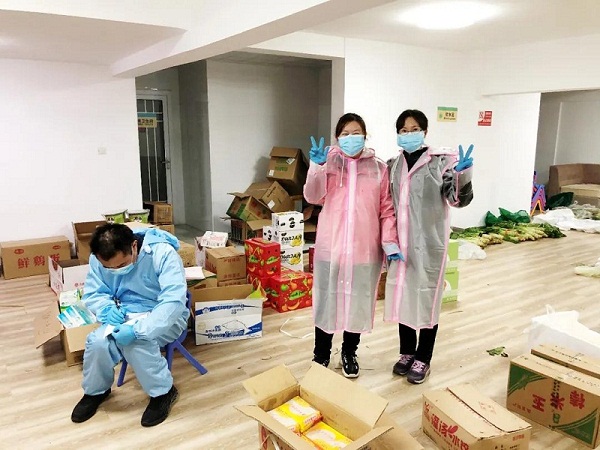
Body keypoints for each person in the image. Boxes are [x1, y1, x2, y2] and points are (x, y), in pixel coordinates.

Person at [304, 112, 403, 378]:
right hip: (331, 246)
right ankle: (321, 354)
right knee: (327, 299)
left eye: (356, 133)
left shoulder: (379, 168)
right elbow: (313, 196)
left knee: (357, 302)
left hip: (363, 249)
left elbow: (386, 209)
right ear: (338, 137)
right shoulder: (328, 162)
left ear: (365, 135)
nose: (351, 138)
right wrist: (316, 167)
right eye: (345, 134)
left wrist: (389, 242)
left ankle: (349, 352)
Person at [385, 109, 474, 384]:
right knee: (404, 297)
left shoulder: (441, 162)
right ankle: (407, 353)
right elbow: (388, 206)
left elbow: (457, 200)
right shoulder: (393, 165)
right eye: (403, 130)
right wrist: (389, 241)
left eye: (414, 129)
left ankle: (423, 357)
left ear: (425, 131)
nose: (408, 134)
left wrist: (463, 174)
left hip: (429, 244)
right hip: (401, 246)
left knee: (427, 299)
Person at [71, 223, 188, 427]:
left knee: (136, 342)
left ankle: (163, 392)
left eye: (121, 265)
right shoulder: (98, 259)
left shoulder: (162, 254)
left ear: (134, 246)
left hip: (164, 316)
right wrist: (106, 309)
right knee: (97, 342)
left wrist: (138, 330)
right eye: (109, 268)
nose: (115, 271)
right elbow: (94, 292)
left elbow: (173, 302)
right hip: (125, 312)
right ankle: (96, 391)